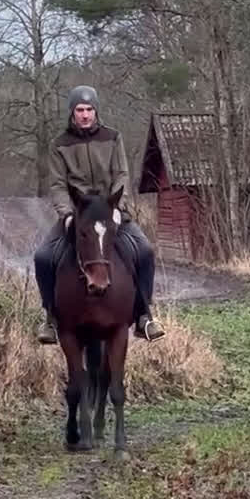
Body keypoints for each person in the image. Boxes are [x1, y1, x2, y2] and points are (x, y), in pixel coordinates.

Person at [34, 85, 165, 344]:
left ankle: (144, 315)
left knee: (146, 252)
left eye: (89, 110)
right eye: (80, 110)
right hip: (78, 215)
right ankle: (50, 318)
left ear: (96, 111)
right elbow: (58, 185)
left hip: (111, 213)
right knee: (43, 257)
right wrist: (67, 215)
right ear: (72, 113)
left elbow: (122, 175)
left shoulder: (113, 137)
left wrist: (119, 208)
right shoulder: (58, 145)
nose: (85, 115)